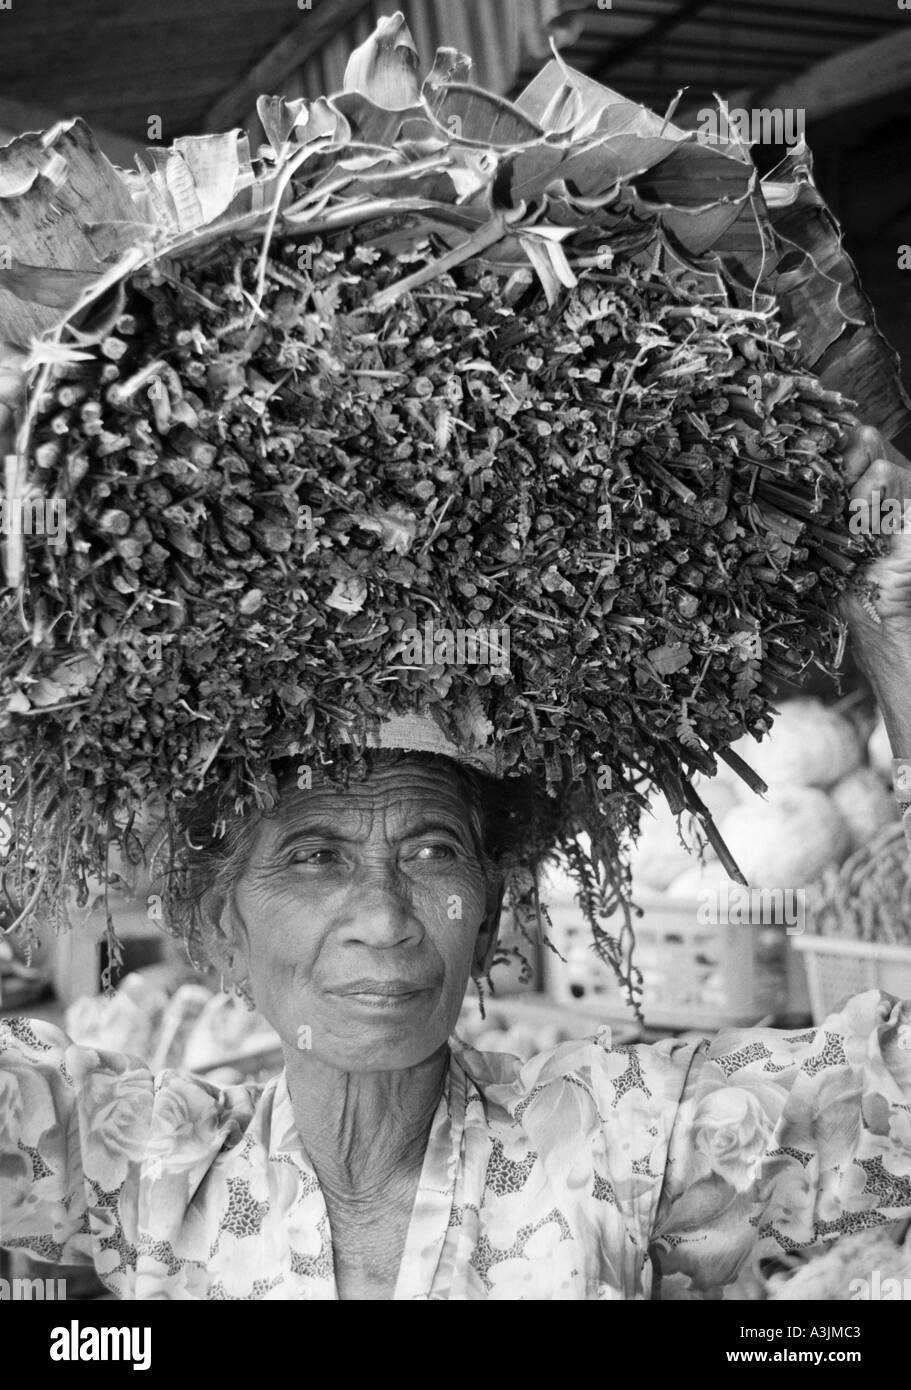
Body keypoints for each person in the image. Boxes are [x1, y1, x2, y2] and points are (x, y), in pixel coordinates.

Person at [3, 358, 911, 1297]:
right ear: (222, 930)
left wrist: (891, 628)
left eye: (432, 852)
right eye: (314, 858)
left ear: (487, 917)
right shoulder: (146, 1166)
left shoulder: (620, 1138)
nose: (385, 917)